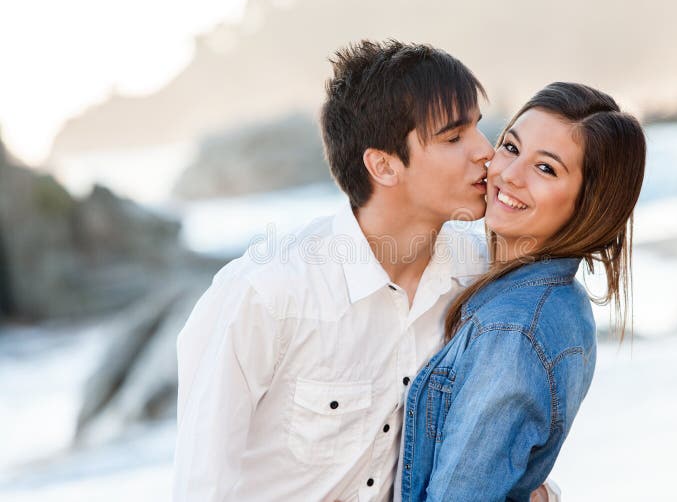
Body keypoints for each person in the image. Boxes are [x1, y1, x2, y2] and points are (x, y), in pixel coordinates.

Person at [172, 39, 554, 501]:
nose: (486, 152)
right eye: (454, 138)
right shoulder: (267, 294)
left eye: (477, 128)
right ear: (384, 165)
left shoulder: (479, 278)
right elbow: (202, 486)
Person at [399, 82, 647, 501]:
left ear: (590, 203)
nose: (508, 175)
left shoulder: (514, 332)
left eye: (546, 168)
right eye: (511, 147)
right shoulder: (565, 301)